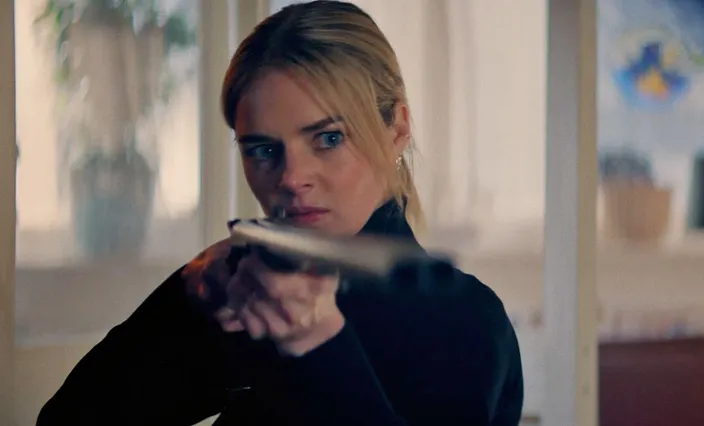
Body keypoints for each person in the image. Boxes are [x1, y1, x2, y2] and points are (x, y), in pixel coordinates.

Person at [36, 1, 524, 425]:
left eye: (328, 138)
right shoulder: (241, 288)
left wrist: (316, 343)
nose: (291, 177)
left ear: (396, 127)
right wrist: (188, 297)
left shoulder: (464, 320)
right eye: (263, 150)